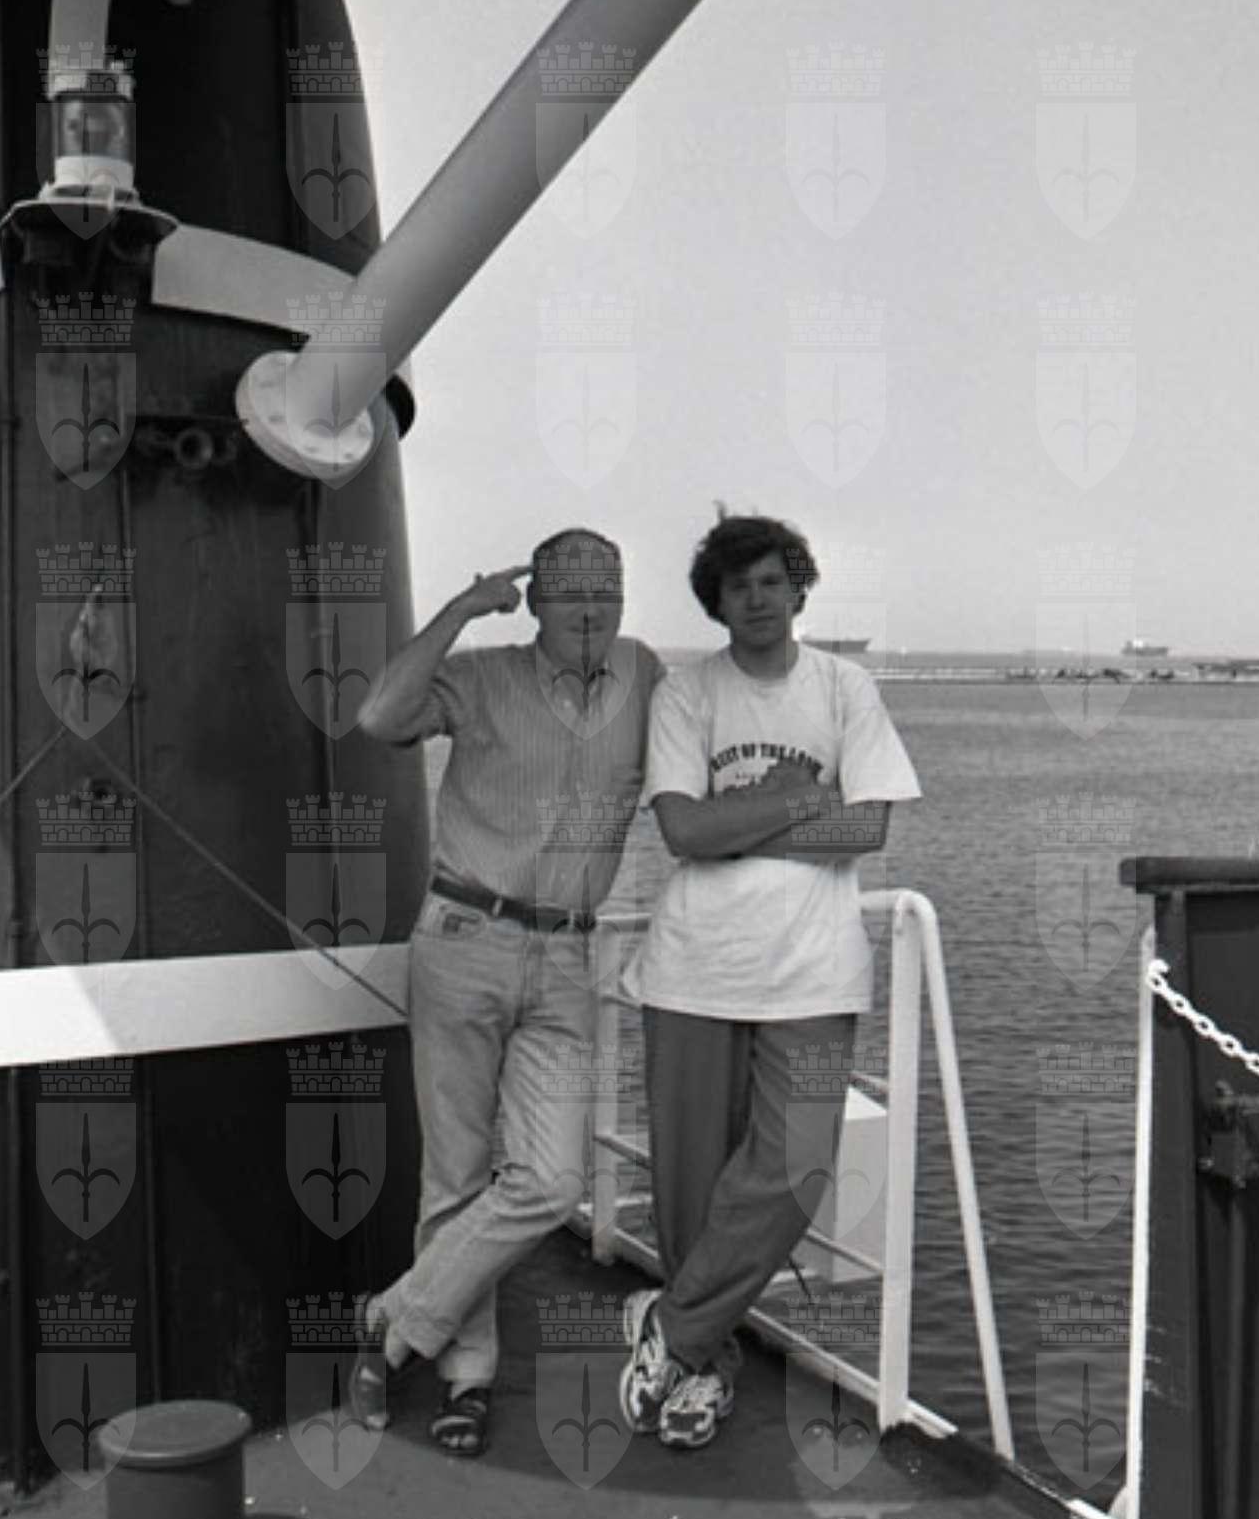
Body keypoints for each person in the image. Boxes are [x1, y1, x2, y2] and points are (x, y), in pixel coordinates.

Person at [351, 530, 661, 1455]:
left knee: (552, 1180)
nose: (591, 608)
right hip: (465, 939)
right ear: (534, 602)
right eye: (570, 591)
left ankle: (395, 1320)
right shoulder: (482, 676)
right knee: (455, 1171)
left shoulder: (645, 676)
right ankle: (467, 1378)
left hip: (568, 957)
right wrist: (458, 609)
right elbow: (379, 717)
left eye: (607, 588)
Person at [617, 514, 921, 1449]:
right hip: (693, 971)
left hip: (815, 975)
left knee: (799, 1164)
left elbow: (867, 828)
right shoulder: (687, 693)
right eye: (738, 585)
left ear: (799, 589)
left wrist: (736, 823)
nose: (756, 599)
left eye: (772, 582)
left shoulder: (844, 688)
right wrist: (798, 800)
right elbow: (683, 833)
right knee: (692, 1185)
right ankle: (704, 1372)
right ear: (716, 601)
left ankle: (673, 1329)